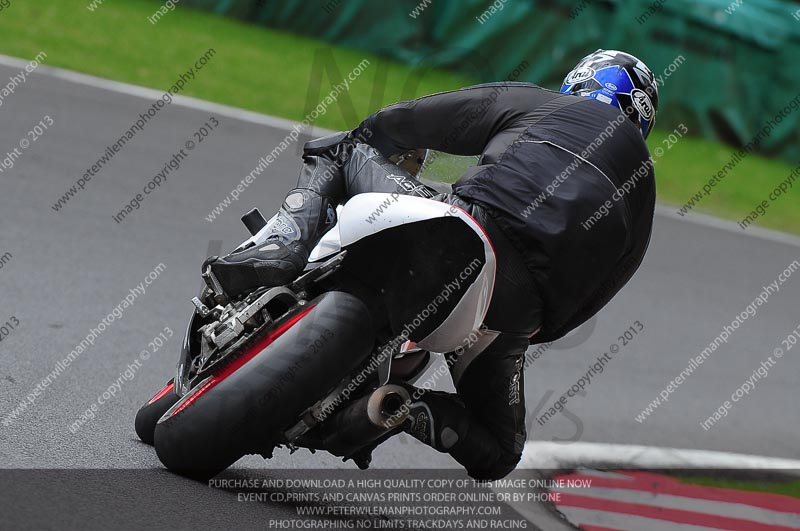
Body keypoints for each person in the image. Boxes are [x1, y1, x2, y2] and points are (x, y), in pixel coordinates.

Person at [203, 49, 658, 480]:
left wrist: (376, 134)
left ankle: (282, 247)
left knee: (343, 150)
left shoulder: (543, 104)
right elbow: (597, 295)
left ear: (577, 83)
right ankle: (407, 408)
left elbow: (419, 118)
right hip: (513, 311)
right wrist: (520, 326)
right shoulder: (644, 189)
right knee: (500, 451)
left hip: (464, 229)